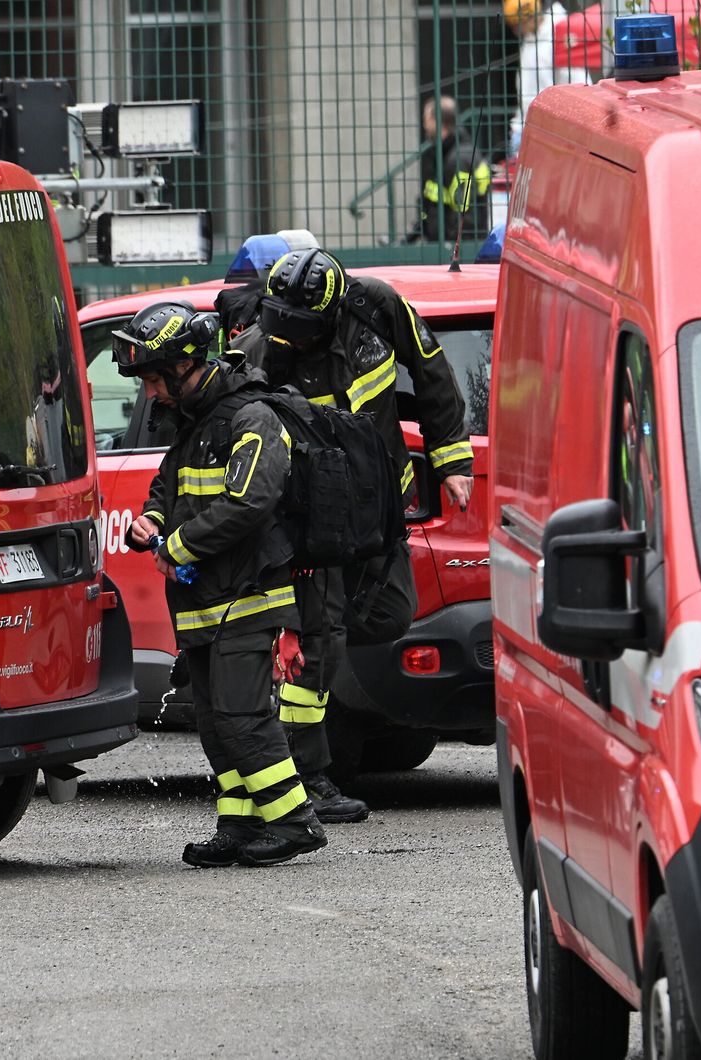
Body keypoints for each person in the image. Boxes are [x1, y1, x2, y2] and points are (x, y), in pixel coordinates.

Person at [234, 248, 475, 821]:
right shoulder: (262, 350)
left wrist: (452, 460)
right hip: (315, 520)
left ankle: (324, 653)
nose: (288, 334)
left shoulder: (376, 305)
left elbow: (432, 369)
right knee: (320, 638)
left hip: (381, 503)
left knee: (392, 613)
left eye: (301, 325)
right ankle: (307, 775)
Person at [115, 300, 328, 869]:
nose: (151, 392)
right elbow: (168, 488)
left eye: (156, 378)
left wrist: (178, 546)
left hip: (250, 597)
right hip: (206, 604)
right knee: (214, 723)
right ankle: (238, 824)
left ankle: (293, 821)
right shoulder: (191, 425)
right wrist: (151, 524)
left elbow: (251, 500)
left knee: (242, 715)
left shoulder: (251, 418)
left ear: (188, 365)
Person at [504, 0, 592, 156]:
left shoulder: (559, 35)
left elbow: (577, 83)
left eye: (518, 25)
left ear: (528, 18)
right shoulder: (533, 39)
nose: (517, 31)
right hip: (530, 125)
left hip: (553, 130)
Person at [406, 96, 492, 245]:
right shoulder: (446, 153)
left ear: (438, 121)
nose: (425, 125)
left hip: (457, 250)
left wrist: (453, 247)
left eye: (427, 119)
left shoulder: (458, 158)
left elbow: (464, 212)